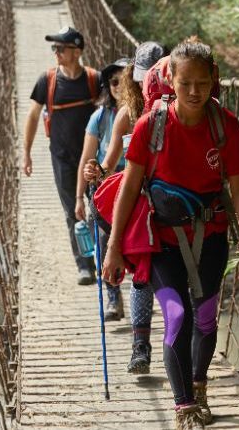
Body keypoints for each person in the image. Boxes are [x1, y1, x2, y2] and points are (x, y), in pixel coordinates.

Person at [102, 37, 239, 429]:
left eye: (202, 83)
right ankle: (184, 408)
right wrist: (114, 246)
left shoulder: (225, 128)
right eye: (185, 82)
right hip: (163, 240)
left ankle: (199, 384)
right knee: (176, 315)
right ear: (170, 78)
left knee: (206, 318)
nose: (194, 91)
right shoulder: (149, 126)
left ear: (214, 80)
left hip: (211, 236)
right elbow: (130, 187)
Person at [84, 41, 166, 375]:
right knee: (143, 277)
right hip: (138, 207)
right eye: (147, 79)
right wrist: (96, 173)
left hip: (173, 206)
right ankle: (140, 348)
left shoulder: (184, 110)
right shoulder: (127, 116)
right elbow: (107, 164)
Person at [23, 26, 100, 285]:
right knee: (73, 212)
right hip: (63, 159)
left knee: (100, 209)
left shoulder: (94, 80)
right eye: (54, 48)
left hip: (94, 159)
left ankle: (103, 256)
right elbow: (33, 116)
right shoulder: (47, 81)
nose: (56, 52)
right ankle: (85, 265)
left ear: (77, 52)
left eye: (61, 48)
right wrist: (26, 153)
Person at [75, 58, 130, 320]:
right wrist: (79, 197)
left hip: (136, 181)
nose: (119, 86)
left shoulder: (146, 112)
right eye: (113, 81)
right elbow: (87, 158)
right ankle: (113, 299)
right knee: (104, 242)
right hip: (107, 185)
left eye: (124, 79)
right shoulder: (100, 116)